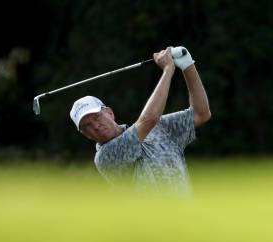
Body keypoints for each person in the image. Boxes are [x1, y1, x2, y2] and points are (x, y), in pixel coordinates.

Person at [69, 46, 211, 194]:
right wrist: (168, 69)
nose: (96, 126)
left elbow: (201, 114)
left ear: (110, 113)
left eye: (96, 117)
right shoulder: (105, 158)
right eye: (87, 126)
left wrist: (187, 65)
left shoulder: (159, 128)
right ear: (86, 135)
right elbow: (149, 119)